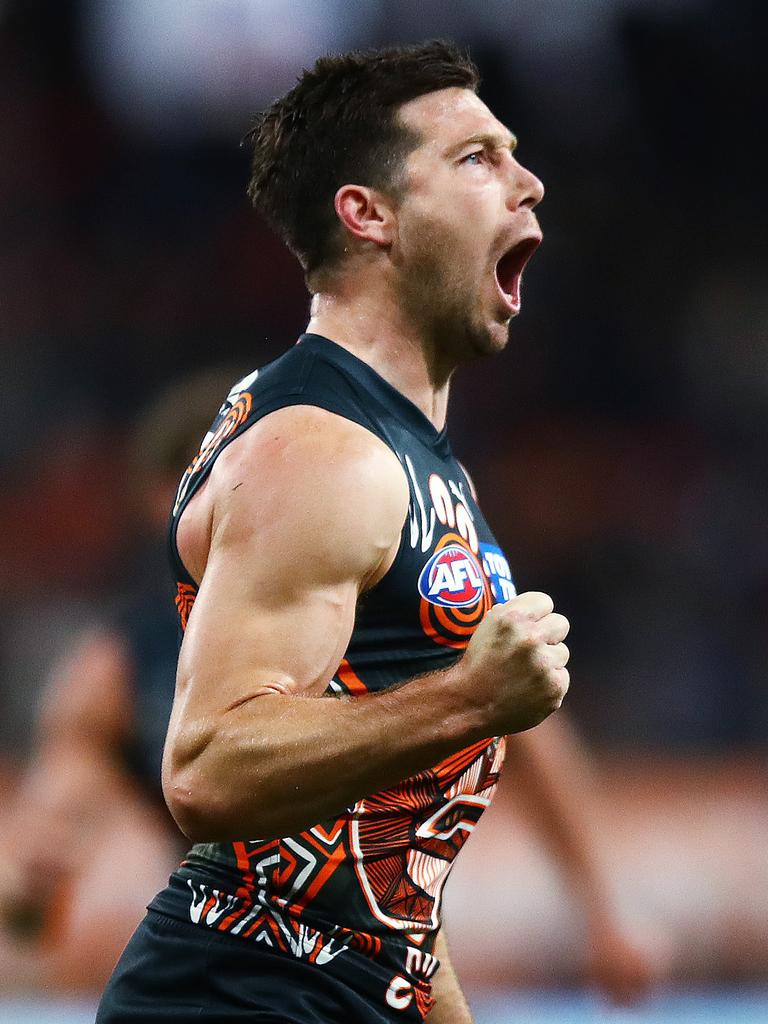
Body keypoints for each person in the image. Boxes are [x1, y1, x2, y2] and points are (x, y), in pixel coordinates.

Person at [96, 41, 644, 1023]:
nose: (529, 181)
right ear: (369, 213)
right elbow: (210, 764)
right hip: (233, 998)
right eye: (476, 158)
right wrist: (473, 694)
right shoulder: (320, 451)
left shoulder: (414, 459)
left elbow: (378, 878)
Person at [0, 370, 238, 993]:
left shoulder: (384, 621)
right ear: (159, 502)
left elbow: (520, 746)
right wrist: (27, 881)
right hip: (228, 964)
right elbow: (39, 861)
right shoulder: (123, 666)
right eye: (191, 483)